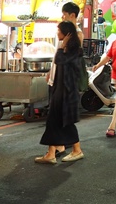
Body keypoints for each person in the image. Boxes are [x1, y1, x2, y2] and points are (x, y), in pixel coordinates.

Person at [35, 21, 84, 164]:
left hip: (67, 92)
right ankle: (51, 154)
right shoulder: (67, 48)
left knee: (64, 122)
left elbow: (60, 60)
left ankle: (77, 150)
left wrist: (62, 48)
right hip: (60, 90)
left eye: (59, 30)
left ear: (67, 33)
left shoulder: (74, 50)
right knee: (54, 121)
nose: (57, 33)